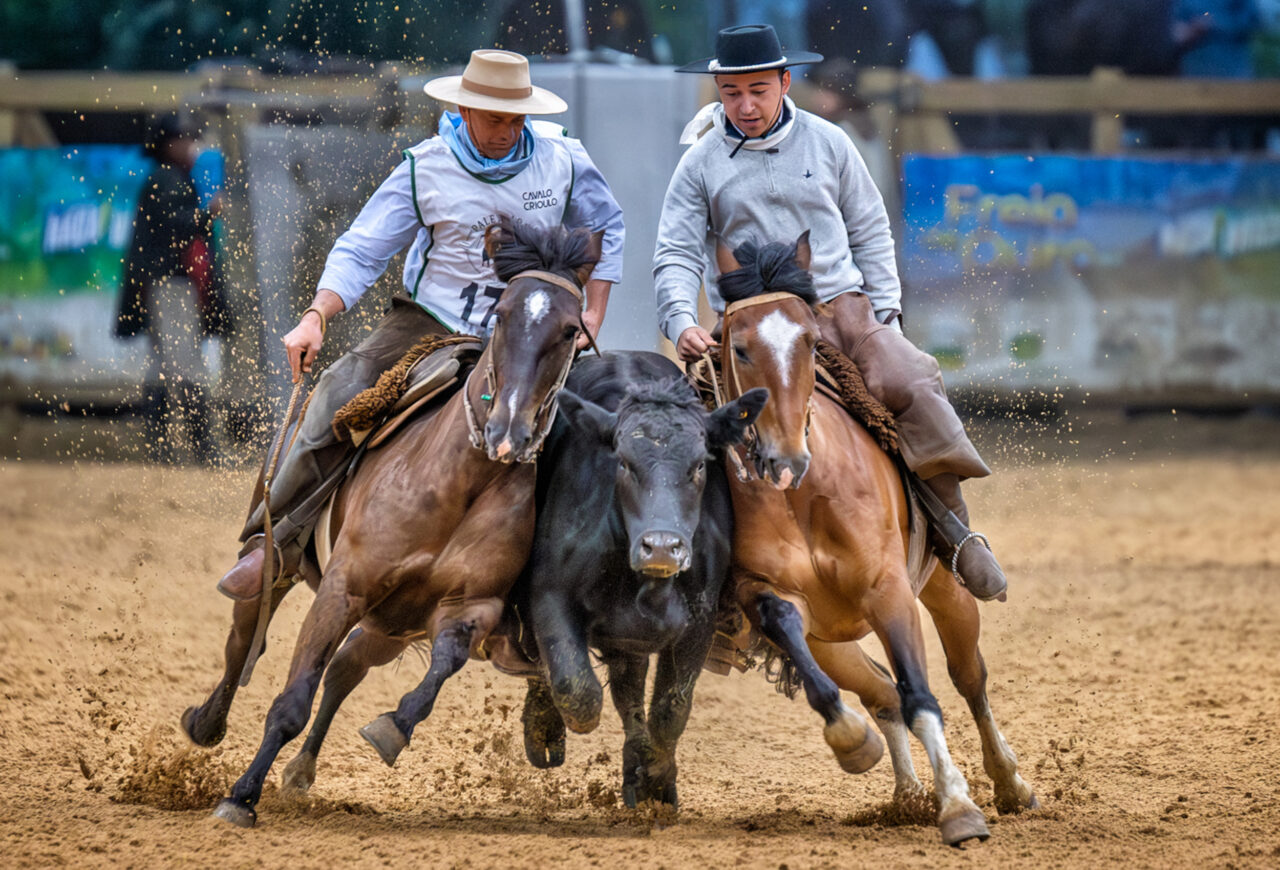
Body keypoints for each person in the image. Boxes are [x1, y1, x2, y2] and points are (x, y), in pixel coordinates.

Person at [227, 49, 625, 589]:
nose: (508, 131)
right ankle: (271, 543)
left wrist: (594, 311)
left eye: (517, 119)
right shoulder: (425, 166)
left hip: (531, 332)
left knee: (597, 422)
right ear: (463, 111)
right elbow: (363, 248)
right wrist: (318, 313)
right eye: (494, 119)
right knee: (340, 387)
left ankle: (590, 579)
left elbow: (606, 223)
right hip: (433, 323)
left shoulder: (564, 159)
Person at [654, 24, 1007, 601]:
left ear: (785, 82)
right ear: (718, 89)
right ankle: (696, 587)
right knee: (679, 433)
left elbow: (870, 228)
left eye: (758, 90)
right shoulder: (699, 163)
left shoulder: (829, 142)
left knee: (912, 379)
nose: (745, 105)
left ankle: (956, 533)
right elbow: (674, 251)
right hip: (747, 328)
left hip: (839, 310)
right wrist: (681, 321)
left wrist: (885, 315)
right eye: (732, 93)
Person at [117, 113, 227, 466]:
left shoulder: (167, 177)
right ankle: (201, 450)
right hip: (171, 285)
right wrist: (207, 214)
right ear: (167, 144)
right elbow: (175, 226)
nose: (190, 145)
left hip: (167, 285)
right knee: (186, 366)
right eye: (183, 138)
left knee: (163, 365)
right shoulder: (166, 179)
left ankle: (162, 449)